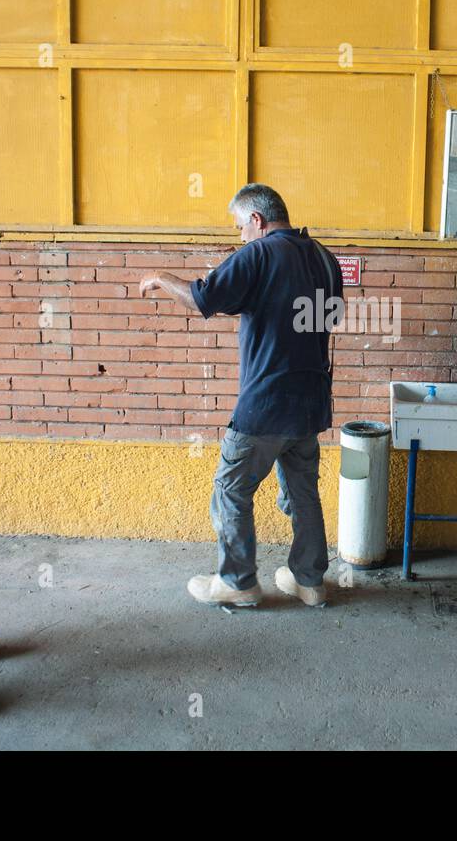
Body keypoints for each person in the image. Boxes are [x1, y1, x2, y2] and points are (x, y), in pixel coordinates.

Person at [139, 184, 343, 608]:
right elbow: (321, 315)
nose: (241, 238)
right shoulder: (324, 257)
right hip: (310, 402)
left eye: (240, 228)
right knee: (303, 493)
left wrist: (162, 278)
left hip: (265, 403)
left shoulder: (259, 254)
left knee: (230, 488)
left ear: (257, 220)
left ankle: (238, 581)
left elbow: (200, 299)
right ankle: (309, 582)